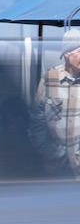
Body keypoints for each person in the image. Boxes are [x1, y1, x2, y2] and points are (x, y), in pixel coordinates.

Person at [31, 39, 80, 175]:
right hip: (57, 165)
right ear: (67, 54)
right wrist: (47, 151)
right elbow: (37, 119)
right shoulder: (50, 78)